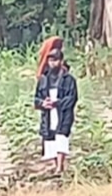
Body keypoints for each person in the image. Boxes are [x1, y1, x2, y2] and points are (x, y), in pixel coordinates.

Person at [33, 37, 78, 176]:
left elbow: (72, 98)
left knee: (61, 136)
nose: (53, 63)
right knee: (50, 137)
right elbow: (36, 98)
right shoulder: (43, 80)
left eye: (56, 60)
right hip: (48, 112)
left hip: (63, 112)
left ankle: (60, 166)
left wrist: (57, 103)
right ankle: (55, 165)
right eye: (50, 60)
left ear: (61, 61)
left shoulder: (68, 79)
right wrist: (43, 104)